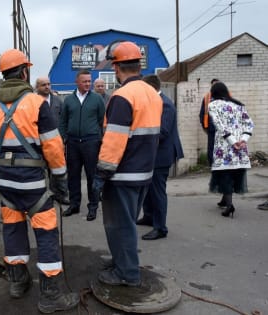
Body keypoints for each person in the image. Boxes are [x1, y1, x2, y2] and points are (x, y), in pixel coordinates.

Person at [0, 49, 79, 313]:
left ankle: (17, 282)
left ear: (4, 75)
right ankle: (51, 296)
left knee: (12, 231)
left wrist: (0, 171)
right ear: (24, 72)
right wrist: (60, 182)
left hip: (5, 185)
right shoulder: (38, 104)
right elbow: (53, 148)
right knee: (46, 235)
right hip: (33, 185)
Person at [92, 41, 162, 286]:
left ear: (117, 68)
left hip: (122, 175)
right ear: (138, 66)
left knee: (120, 226)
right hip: (143, 172)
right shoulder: (152, 94)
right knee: (127, 223)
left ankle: (127, 273)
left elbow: (115, 139)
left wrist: (101, 174)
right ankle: (122, 262)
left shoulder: (122, 96)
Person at [137, 74, 184, 240]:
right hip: (152, 154)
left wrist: (138, 138)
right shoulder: (154, 102)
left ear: (151, 88)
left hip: (162, 155)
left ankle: (160, 228)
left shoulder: (165, 105)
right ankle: (149, 216)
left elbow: (162, 132)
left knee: (157, 192)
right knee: (148, 189)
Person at [59, 70, 105, 221]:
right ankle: (74, 205)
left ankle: (93, 207)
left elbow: (101, 120)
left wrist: (98, 138)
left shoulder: (97, 99)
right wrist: (64, 137)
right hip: (72, 142)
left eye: (89, 81)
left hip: (91, 142)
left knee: (92, 176)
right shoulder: (68, 100)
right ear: (77, 82)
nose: (88, 84)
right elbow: (63, 121)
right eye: (84, 81)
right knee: (73, 175)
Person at [208, 81, 254, 218]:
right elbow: (249, 124)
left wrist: (232, 141)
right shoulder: (239, 105)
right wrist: (243, 140)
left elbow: (219, 125)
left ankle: (229, 205)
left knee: (224, 174)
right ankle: (225, 200)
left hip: (224, 145)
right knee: (233, 174)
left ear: (214, 93)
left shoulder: (213, 105)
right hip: (240, 146)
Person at [35, 76, 70, 205]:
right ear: (37, 87)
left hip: (56, 141)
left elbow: (64, 119)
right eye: (43, 84)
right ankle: (43, 195)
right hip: (38, 143)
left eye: (48, 84)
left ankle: (60, 194)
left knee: (58, 169)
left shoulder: (57, 101)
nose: (47, 87)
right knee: (40, 170)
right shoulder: (33, 101)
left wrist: (63, 136)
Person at [199, 78, 219, 166]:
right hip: (211, 127)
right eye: (213, 85)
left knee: (222, 146)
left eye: (216, 85)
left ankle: (221, 163)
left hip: (223, 129)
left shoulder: (225, 97)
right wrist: (204, 126)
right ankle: (212, 164)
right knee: (211, 146)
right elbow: (202, 112)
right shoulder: (207, 97)